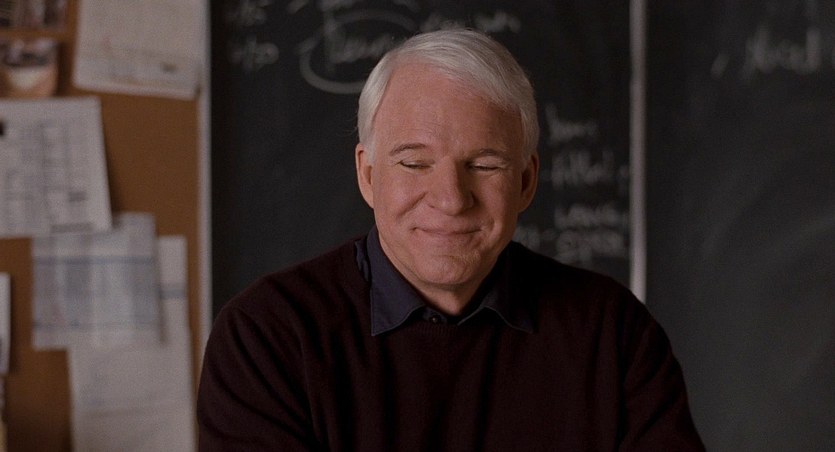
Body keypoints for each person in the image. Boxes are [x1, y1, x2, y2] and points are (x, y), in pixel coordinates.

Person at [197, 28, 704, 451]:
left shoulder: (613, 334)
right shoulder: (267, 338)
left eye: (484, 165)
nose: (451, 199)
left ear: (526, 182)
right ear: (368, 175)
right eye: (415, 163)